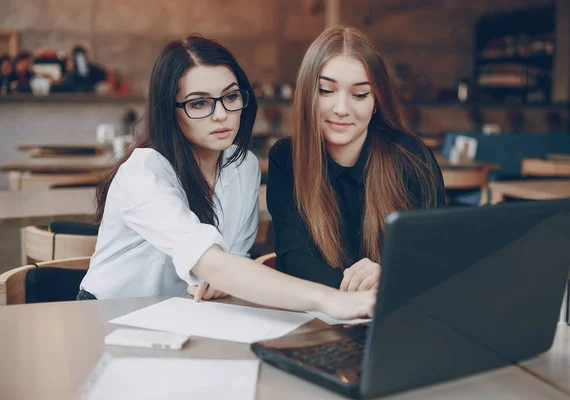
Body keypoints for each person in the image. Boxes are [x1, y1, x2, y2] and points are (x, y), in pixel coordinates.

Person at [78, 34, 373, 320]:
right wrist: (332, 299)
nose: (221, 114)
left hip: (185, 316)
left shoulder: (243, 166)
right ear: (170, 111)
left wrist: (221, 281)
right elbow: (215, 264)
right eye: (199, 103)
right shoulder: (143, 173)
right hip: (106, 316)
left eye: (230, 97)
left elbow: (233, 261)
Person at [267, 27, 447, 292]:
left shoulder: (412, 157)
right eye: (326, 91)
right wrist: (358, 293)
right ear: (308, 95)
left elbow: (438, 255)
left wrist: (390, 275)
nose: (341, 109)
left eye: (360, 94)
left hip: (396, 313)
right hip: (320, 315)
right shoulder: (286, 158)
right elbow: (293, 260)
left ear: (376, 101)